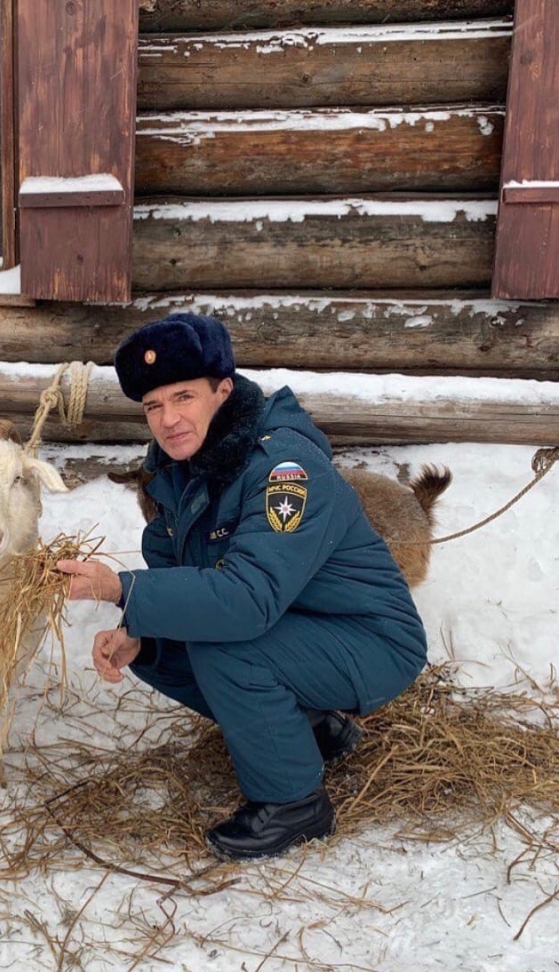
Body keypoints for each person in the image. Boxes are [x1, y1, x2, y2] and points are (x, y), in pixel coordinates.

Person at [57, 313, 428, 861]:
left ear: (223, 391)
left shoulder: (284, 468)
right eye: (154, 406)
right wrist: (141, 633)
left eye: (184, 397)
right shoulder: (180, 472)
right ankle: (313, 728)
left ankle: (294, 804)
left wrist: (121, 590)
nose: (169, 419)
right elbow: (177, 576)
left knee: (228, 649)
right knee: (158, 648)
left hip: (369, 639)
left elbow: (247, 600)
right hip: (297, 629)